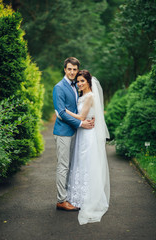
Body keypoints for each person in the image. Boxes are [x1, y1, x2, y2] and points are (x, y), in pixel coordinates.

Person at [66, 70, 110, 225]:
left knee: (86, 163)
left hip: (87, 135)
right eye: (78, 81)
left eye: (82, 81)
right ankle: (78, 196)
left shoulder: (90, 96)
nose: (79, 84)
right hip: (81, 133)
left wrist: (64, 111)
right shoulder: (83, 95)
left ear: (89, 82)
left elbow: (81, 117)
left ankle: (87, 198)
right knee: (80, 163)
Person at [53, 57, 94, 211]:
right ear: (65, 69)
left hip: (74, 132)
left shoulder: (75, 86)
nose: (72, 72)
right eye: (69, 69)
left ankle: (67, 196)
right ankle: (61, 200)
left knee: (69, 165)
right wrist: (81, 123)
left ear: (77, 71)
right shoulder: (59, 87)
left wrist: (91, 116)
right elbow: (61, 112)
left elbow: (79, 108)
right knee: (63, 166)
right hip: (63, 132)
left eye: (74, 70)